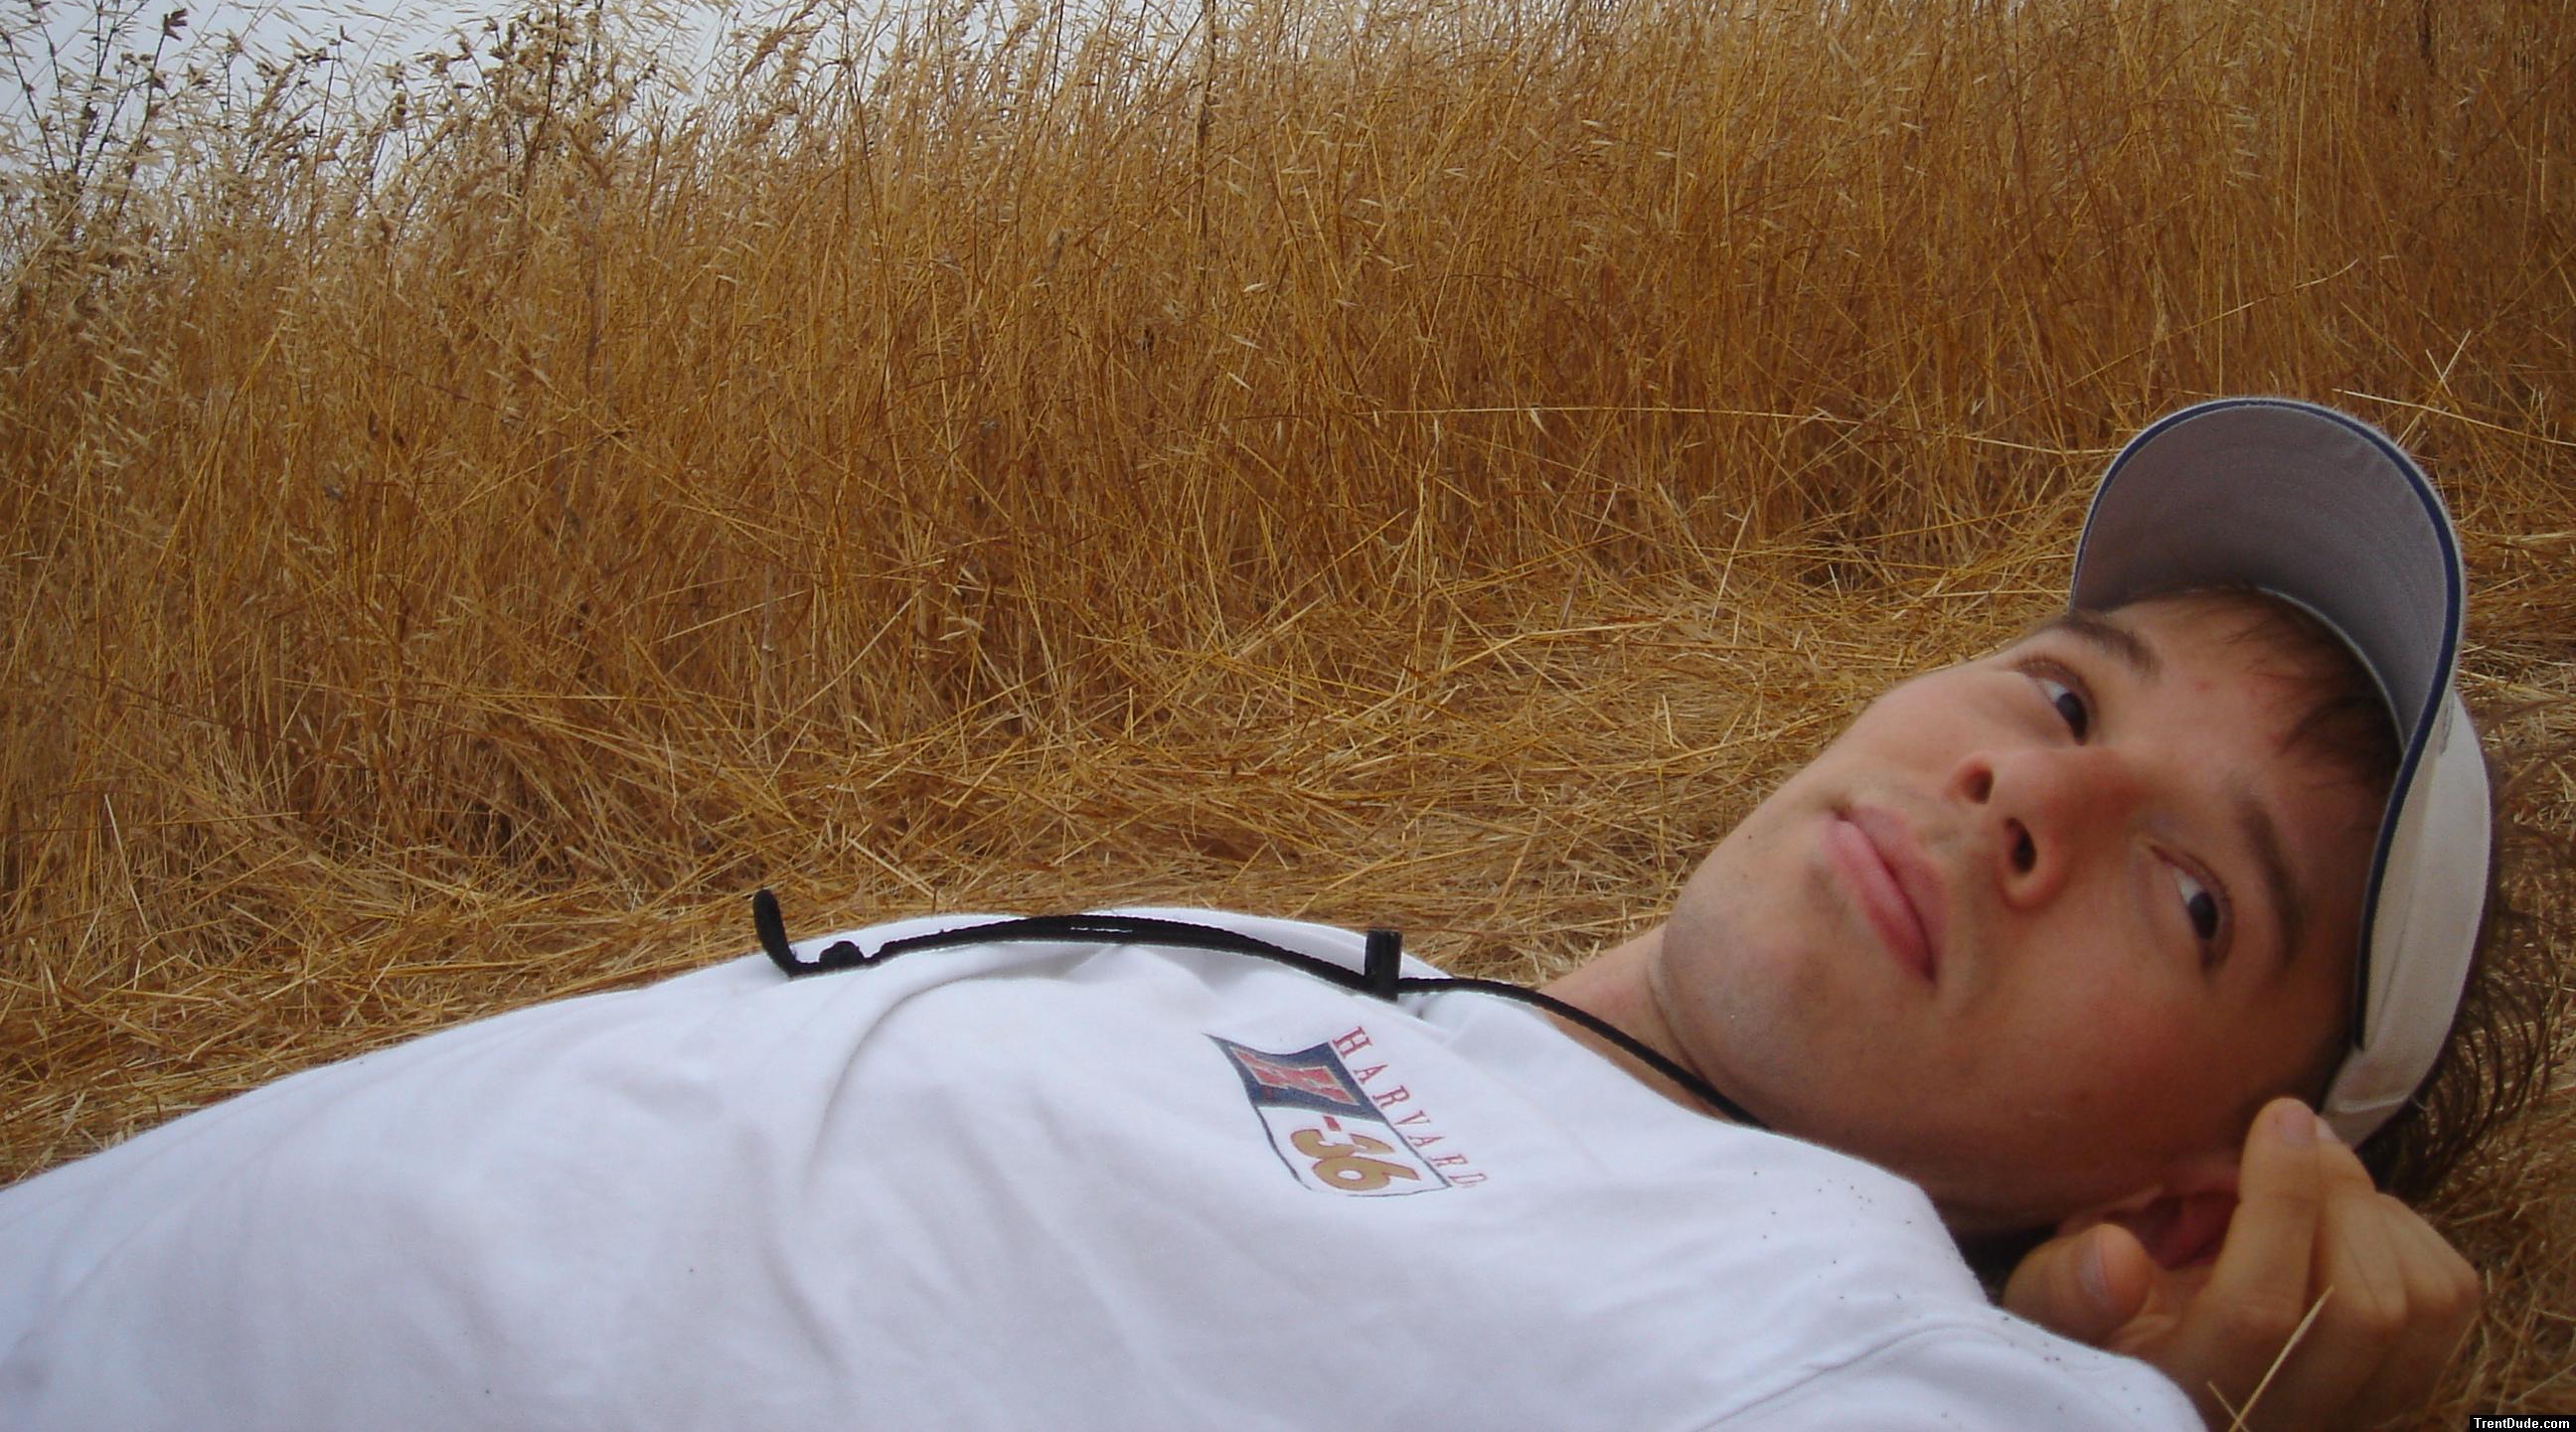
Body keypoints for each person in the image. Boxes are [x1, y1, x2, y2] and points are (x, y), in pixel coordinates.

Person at [0, 398, 2521, 1429]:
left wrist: (2200, 1393)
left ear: (2209, 1180)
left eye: (2196, 897)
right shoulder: (1370, 986)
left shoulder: (1824, 1339)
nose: (2024, 796)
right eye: (2065, 691)